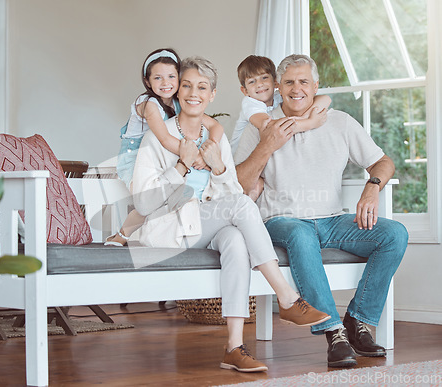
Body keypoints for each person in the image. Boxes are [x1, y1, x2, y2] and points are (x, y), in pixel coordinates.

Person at [132, 56, 330, 373]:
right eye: (186, 85)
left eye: (202, 87)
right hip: (167, 231)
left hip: (203, 228)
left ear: (212, 95)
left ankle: (234, 347)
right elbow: (143, 205)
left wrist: (220, 167)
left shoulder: (216, 137)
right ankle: (288, 297)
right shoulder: (157, 136)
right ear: (177, 91)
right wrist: (181, 166)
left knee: (236, 239)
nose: (193, 93)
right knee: (240, 207)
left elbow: (229, 194)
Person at [234, 54, 408, 368]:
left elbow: (383, 161)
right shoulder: (261, 124)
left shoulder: (339, 121)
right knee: (301, 234)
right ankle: (333, 332)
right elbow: (239, 183)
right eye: (289, 82)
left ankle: (358, 321)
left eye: (304, 81)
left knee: (394, 234)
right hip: (281, 220)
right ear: (278, 87)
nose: (296, 88)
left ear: (316, 86)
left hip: (332, 220)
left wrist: (372, 186)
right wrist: (267, 144)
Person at [105, 48, 224, 246]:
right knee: (149, 201)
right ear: (147, 81)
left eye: (171, 76)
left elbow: (216, 126)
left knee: (171, 196)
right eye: (158, 78)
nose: (166, 83)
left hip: (160, 157)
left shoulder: (179, 102)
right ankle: (122, 235)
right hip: (135, 158)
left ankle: (158, 234)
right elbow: (165, 139)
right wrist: (194, 157)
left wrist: (210, 150)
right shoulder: (148, 104)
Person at [231, 55, 331, 200]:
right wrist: (310, 123)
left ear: (276, 83)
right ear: (245, 91)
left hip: (261, 159)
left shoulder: (279, 97)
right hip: (240, 162)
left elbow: (325, 99)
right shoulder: (250, 104)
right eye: (252, 81)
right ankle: (240, 216)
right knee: (254, 188)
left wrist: (305, 116)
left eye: (264, 78)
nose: (259, 84)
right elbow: (271, 127)